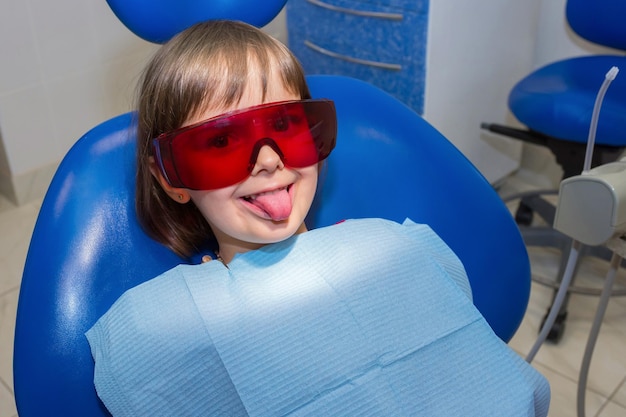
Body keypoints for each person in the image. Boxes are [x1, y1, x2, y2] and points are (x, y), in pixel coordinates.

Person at [86, 20, 550, 416]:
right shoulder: (170, 327)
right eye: (223, 142)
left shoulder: (394, 247)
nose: (268, 161)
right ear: (170, 175)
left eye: (284, 126)